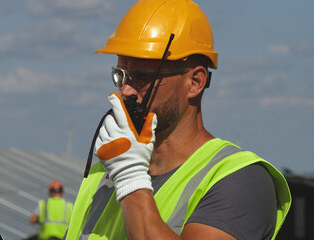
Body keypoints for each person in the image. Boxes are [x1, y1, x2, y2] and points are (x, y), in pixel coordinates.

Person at [64, 0, 291, 239]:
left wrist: (131, 179)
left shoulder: (239, 180)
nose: (127, 90)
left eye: (142, 77)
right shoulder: (102, 176)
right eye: (121, 75)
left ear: (195, 83)